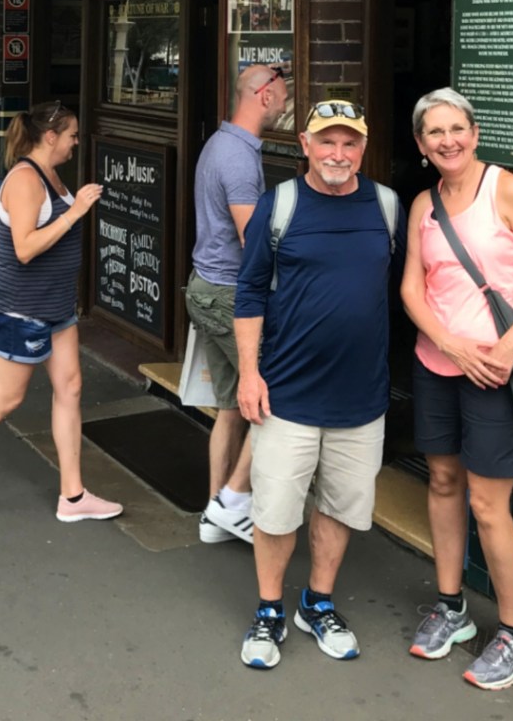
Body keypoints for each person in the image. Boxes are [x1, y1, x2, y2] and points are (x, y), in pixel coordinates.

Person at [233, 100, 406, 670]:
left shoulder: (384, 206)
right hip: (287, 392)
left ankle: (317, 603)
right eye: (326, 142)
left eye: (349, 143)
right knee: (277, 510)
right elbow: (250, 291)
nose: (339, 154)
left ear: (363, 147)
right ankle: (268, 610)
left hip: (361, 396)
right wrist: (250, 373)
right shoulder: (279, 205)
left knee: (339, 508)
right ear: (304, 145)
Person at [400, 88, 513, 691]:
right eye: (434, 132)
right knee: (443, 480)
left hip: (498, 371)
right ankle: (452, 608)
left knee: (490, 505)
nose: (447, 141)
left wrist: (507, 347)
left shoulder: (508, 190)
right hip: (437, 364)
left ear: (474, 132)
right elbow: (413, 290)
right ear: (421, 144)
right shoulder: (423, 205)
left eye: (456, 128)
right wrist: (450, 343)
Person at [0, 100, 123, 524]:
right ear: (50, 136)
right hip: (22, 307)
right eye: (72, 134)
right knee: (9, 396)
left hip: (54, 305)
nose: (76, 142)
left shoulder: (51, 175)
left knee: (70, 387)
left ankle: (72, 497)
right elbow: (23, 248)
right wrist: (75, 213)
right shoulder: (24, 180)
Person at [186, 63, 288, 545]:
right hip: (229, 296)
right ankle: (232, 502)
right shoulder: (240, 159)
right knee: (273, 398)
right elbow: (255, 243)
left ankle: (214, 514)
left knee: (229, 407)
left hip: (204, 285)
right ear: (264, 95)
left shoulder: (220, 143)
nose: (287, 102)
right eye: (283, 93)